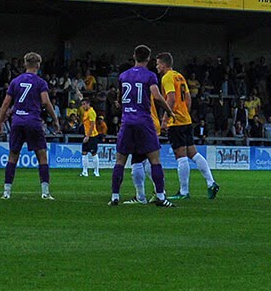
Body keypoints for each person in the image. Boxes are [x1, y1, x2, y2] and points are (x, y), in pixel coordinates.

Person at [108, 45, 174, 207]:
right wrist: (169, 111)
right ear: (148, 59)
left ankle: (115, 196)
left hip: (127, 121)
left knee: (120, 161)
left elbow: (119, 98)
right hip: (144, 121)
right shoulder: (150, 76)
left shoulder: (123, 76)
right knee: (154, 160)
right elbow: (157, 97)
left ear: (134, 56)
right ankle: (160, 196)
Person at [155, 52, 217, 201]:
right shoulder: (180, 76)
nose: (156, 67)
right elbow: (188, 98)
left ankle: (184, 191)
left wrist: (166, 118)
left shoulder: (167, 77)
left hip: (176, 122)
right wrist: (184, 113)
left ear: (164, 64)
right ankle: (211, 182)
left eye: (157, 64)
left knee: (180, 156)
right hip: (186, 120)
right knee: (193, 153)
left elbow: (170, 98)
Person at [0, 53, 58, 200]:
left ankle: (7, 192)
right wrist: (55, 119)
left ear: (25, 64)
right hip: (33, 121)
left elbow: (6, 103)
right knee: (42, 156)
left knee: (13, 155)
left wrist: (0, 122)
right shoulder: (40, 82)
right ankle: (45, 192)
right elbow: (45, 101)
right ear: (38, 65)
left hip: (17, 121)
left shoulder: (15, 81)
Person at [78, 97, 103, 178]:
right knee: (84, 152)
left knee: (93, 153)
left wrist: (88, 136)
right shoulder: (86, 111)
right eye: (82, 105)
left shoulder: (91, 112)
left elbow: (92, 125)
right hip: (87, 135)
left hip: (92, 136)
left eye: (84, 104)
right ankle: (85, 172)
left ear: (88, 104)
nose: (83, 106)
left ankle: (96, 172)